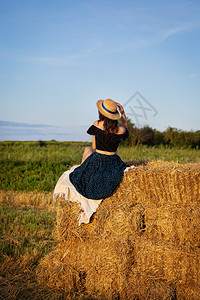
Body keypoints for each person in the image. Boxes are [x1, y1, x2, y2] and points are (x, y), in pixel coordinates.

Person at [69, 98, 129, 200]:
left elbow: (94, 147)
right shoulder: (121, 130)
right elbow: (125, 127)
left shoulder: (96, 124)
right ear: (114, 115)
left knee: (88, 149)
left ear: (101, 113)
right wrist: (123, 114)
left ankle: (83, 168)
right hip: (113, 161)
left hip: (98, 158)